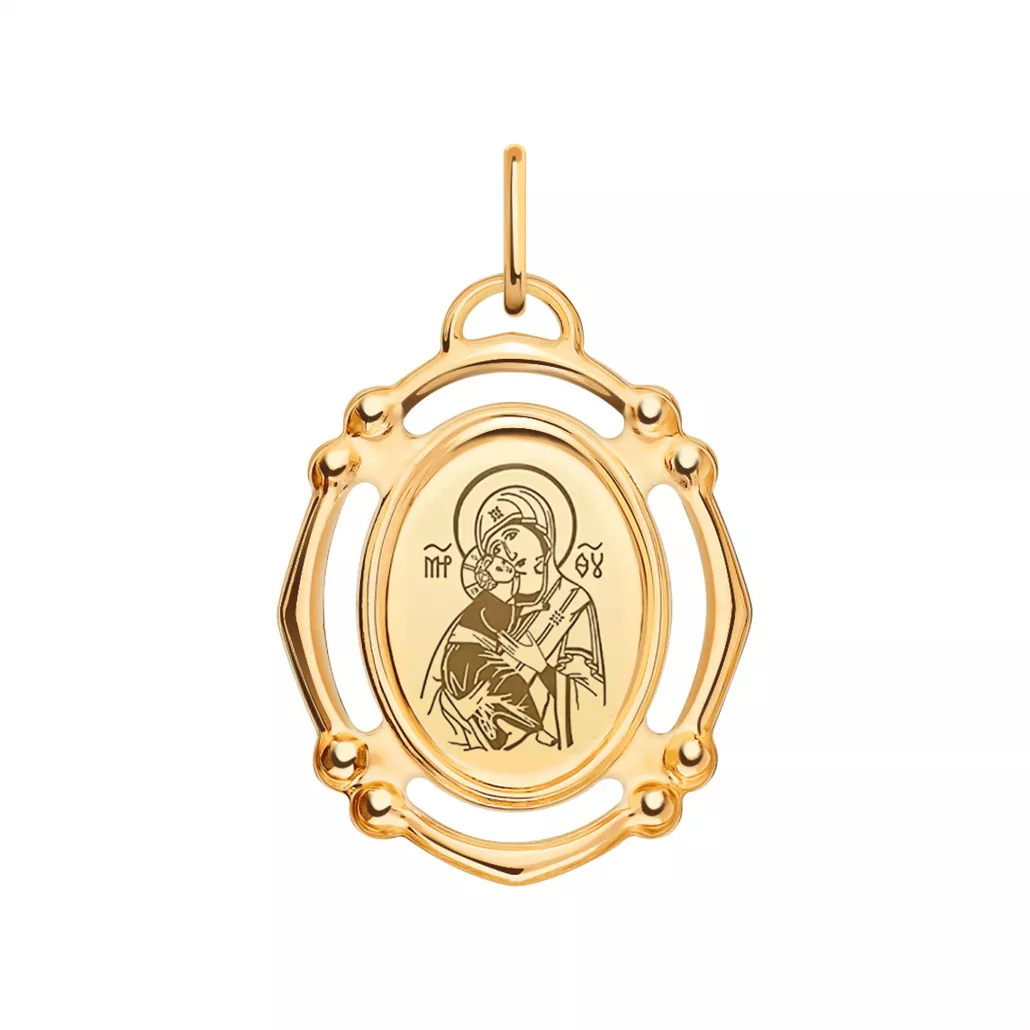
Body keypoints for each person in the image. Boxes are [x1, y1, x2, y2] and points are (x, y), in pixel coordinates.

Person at [424, 485, 605, 752]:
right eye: (496, 548)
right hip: (469, 741)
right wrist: (463, 705)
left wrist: (540, 666)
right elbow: (432, 697)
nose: (506, 551)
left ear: (543, 535)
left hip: (546, 749)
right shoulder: (483, 606)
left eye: (510, 535)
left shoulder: (572, 604)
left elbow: (593, 703)